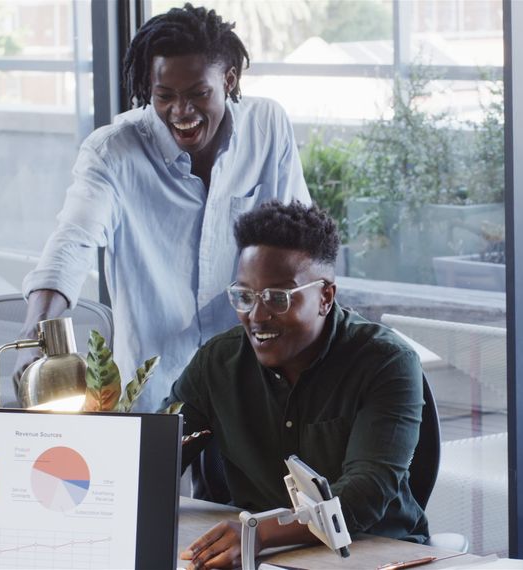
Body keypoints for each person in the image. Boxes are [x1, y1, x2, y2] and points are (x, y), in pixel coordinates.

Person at [19, 4, 309, 411]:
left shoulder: (267, 127)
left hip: (254, 387)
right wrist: (35, 337)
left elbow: (300, 246)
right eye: (165, 96)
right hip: (157, 396)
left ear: (228, 80)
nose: (181, 112)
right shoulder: (112, 152)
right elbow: (73, 240)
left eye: (197, 94)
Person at [163, 202, 429, 569]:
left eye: (278, 298)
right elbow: (157, 459)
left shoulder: (386, 361)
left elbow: (365, 494)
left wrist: (260, 533)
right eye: (245, 296)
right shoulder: (217, 363)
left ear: (325, 297)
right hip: (261, 559)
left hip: (375, 552)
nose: (256, 316)